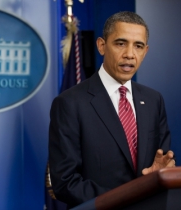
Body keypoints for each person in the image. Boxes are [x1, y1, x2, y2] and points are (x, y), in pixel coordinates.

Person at [49, 11, 175, 209]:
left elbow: (162, 161)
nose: (130, 54)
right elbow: (65, 182)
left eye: (138, 46)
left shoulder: (153, 100)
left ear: (146, 51)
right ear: (101, 46)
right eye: (120, 43)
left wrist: (160, 175)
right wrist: (129, 197)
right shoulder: (70, 103)